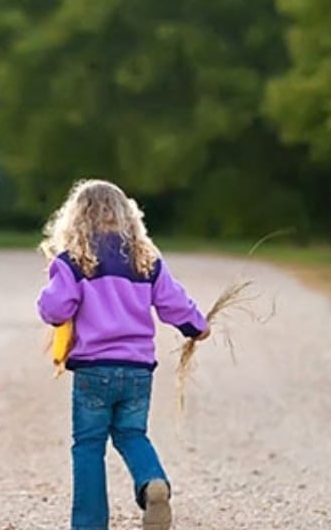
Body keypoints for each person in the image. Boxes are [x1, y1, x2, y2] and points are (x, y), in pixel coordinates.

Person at [37, 180, 210, 530]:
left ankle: (89, 524)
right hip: (137, 370)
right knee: (132, 434)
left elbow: (55, 310)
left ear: (76, 218)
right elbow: (174, 303)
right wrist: (197, 326)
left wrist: (51, 301)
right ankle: (152, 482)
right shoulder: (145, 260)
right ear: (127, 216)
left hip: (94, 370)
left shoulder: (73, 262)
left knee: (88, 445)